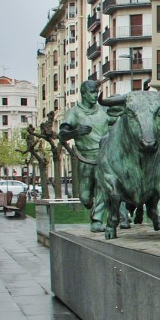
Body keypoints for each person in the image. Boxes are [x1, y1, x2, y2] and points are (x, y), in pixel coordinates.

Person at [58, 80, 113, 231]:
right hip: (85, 159)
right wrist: (75, 132)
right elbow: (62, 135)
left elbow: (118, 123)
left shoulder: (104, 111)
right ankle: (90, 205)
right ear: (83, 93)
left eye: (96, 92)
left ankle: (97, 221)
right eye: (92, 92)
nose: (95, 96)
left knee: (103, 188)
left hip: (104, 157)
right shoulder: (74, 113)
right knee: (86, 197)